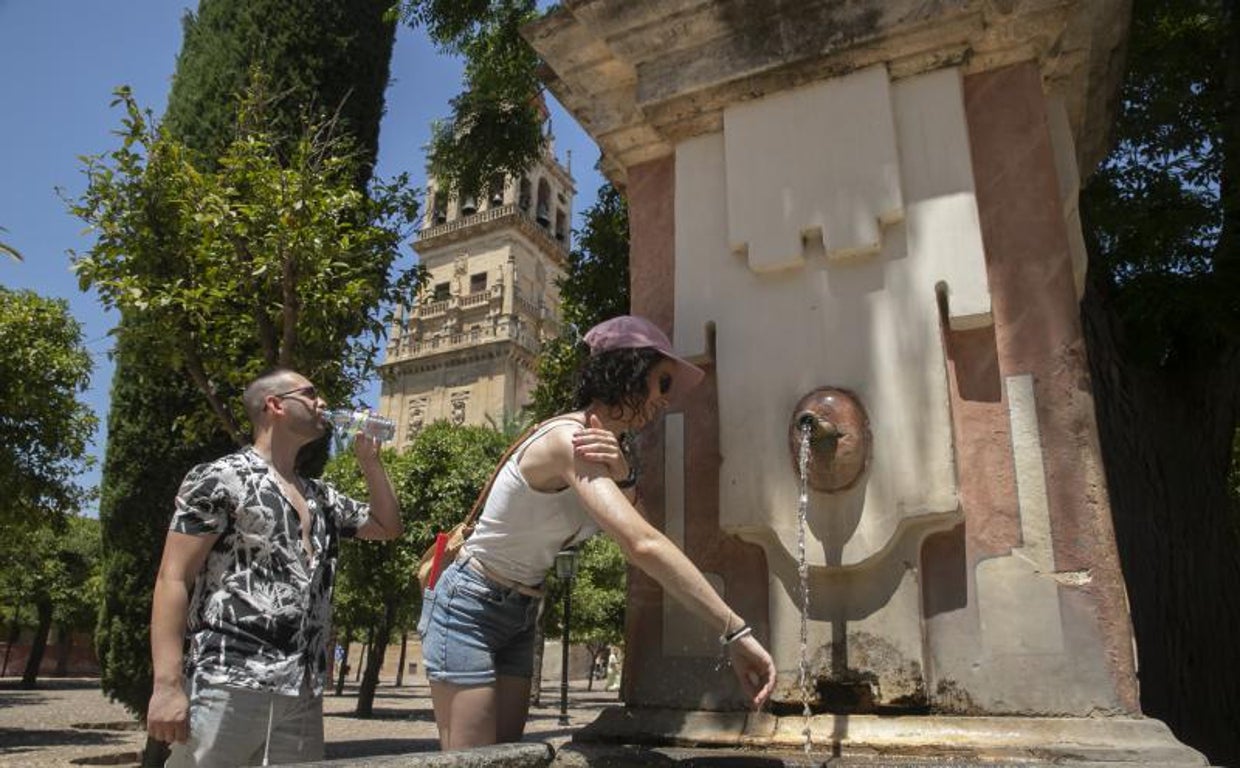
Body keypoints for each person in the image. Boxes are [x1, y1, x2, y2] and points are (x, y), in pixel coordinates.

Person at [419, 315, 777, 750]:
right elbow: (642, 545)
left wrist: (626, 477)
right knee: (472, 761)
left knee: (504, 757)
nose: (666, 400)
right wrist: (735, 632)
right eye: (662, 383)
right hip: (469, 604)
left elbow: (641, 533)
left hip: (521, 609)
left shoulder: (609, 451)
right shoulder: (571, 440)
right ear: (628, 372)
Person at [146, 368, 403, 766]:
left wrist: (369, 462)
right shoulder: (220, 478)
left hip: (302, 689)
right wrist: (167, 685)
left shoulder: (320, 495)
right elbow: (173, 577)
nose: (322, 403)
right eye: (311, 394)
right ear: (275, 405)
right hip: (230, 679)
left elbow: (387, 527)